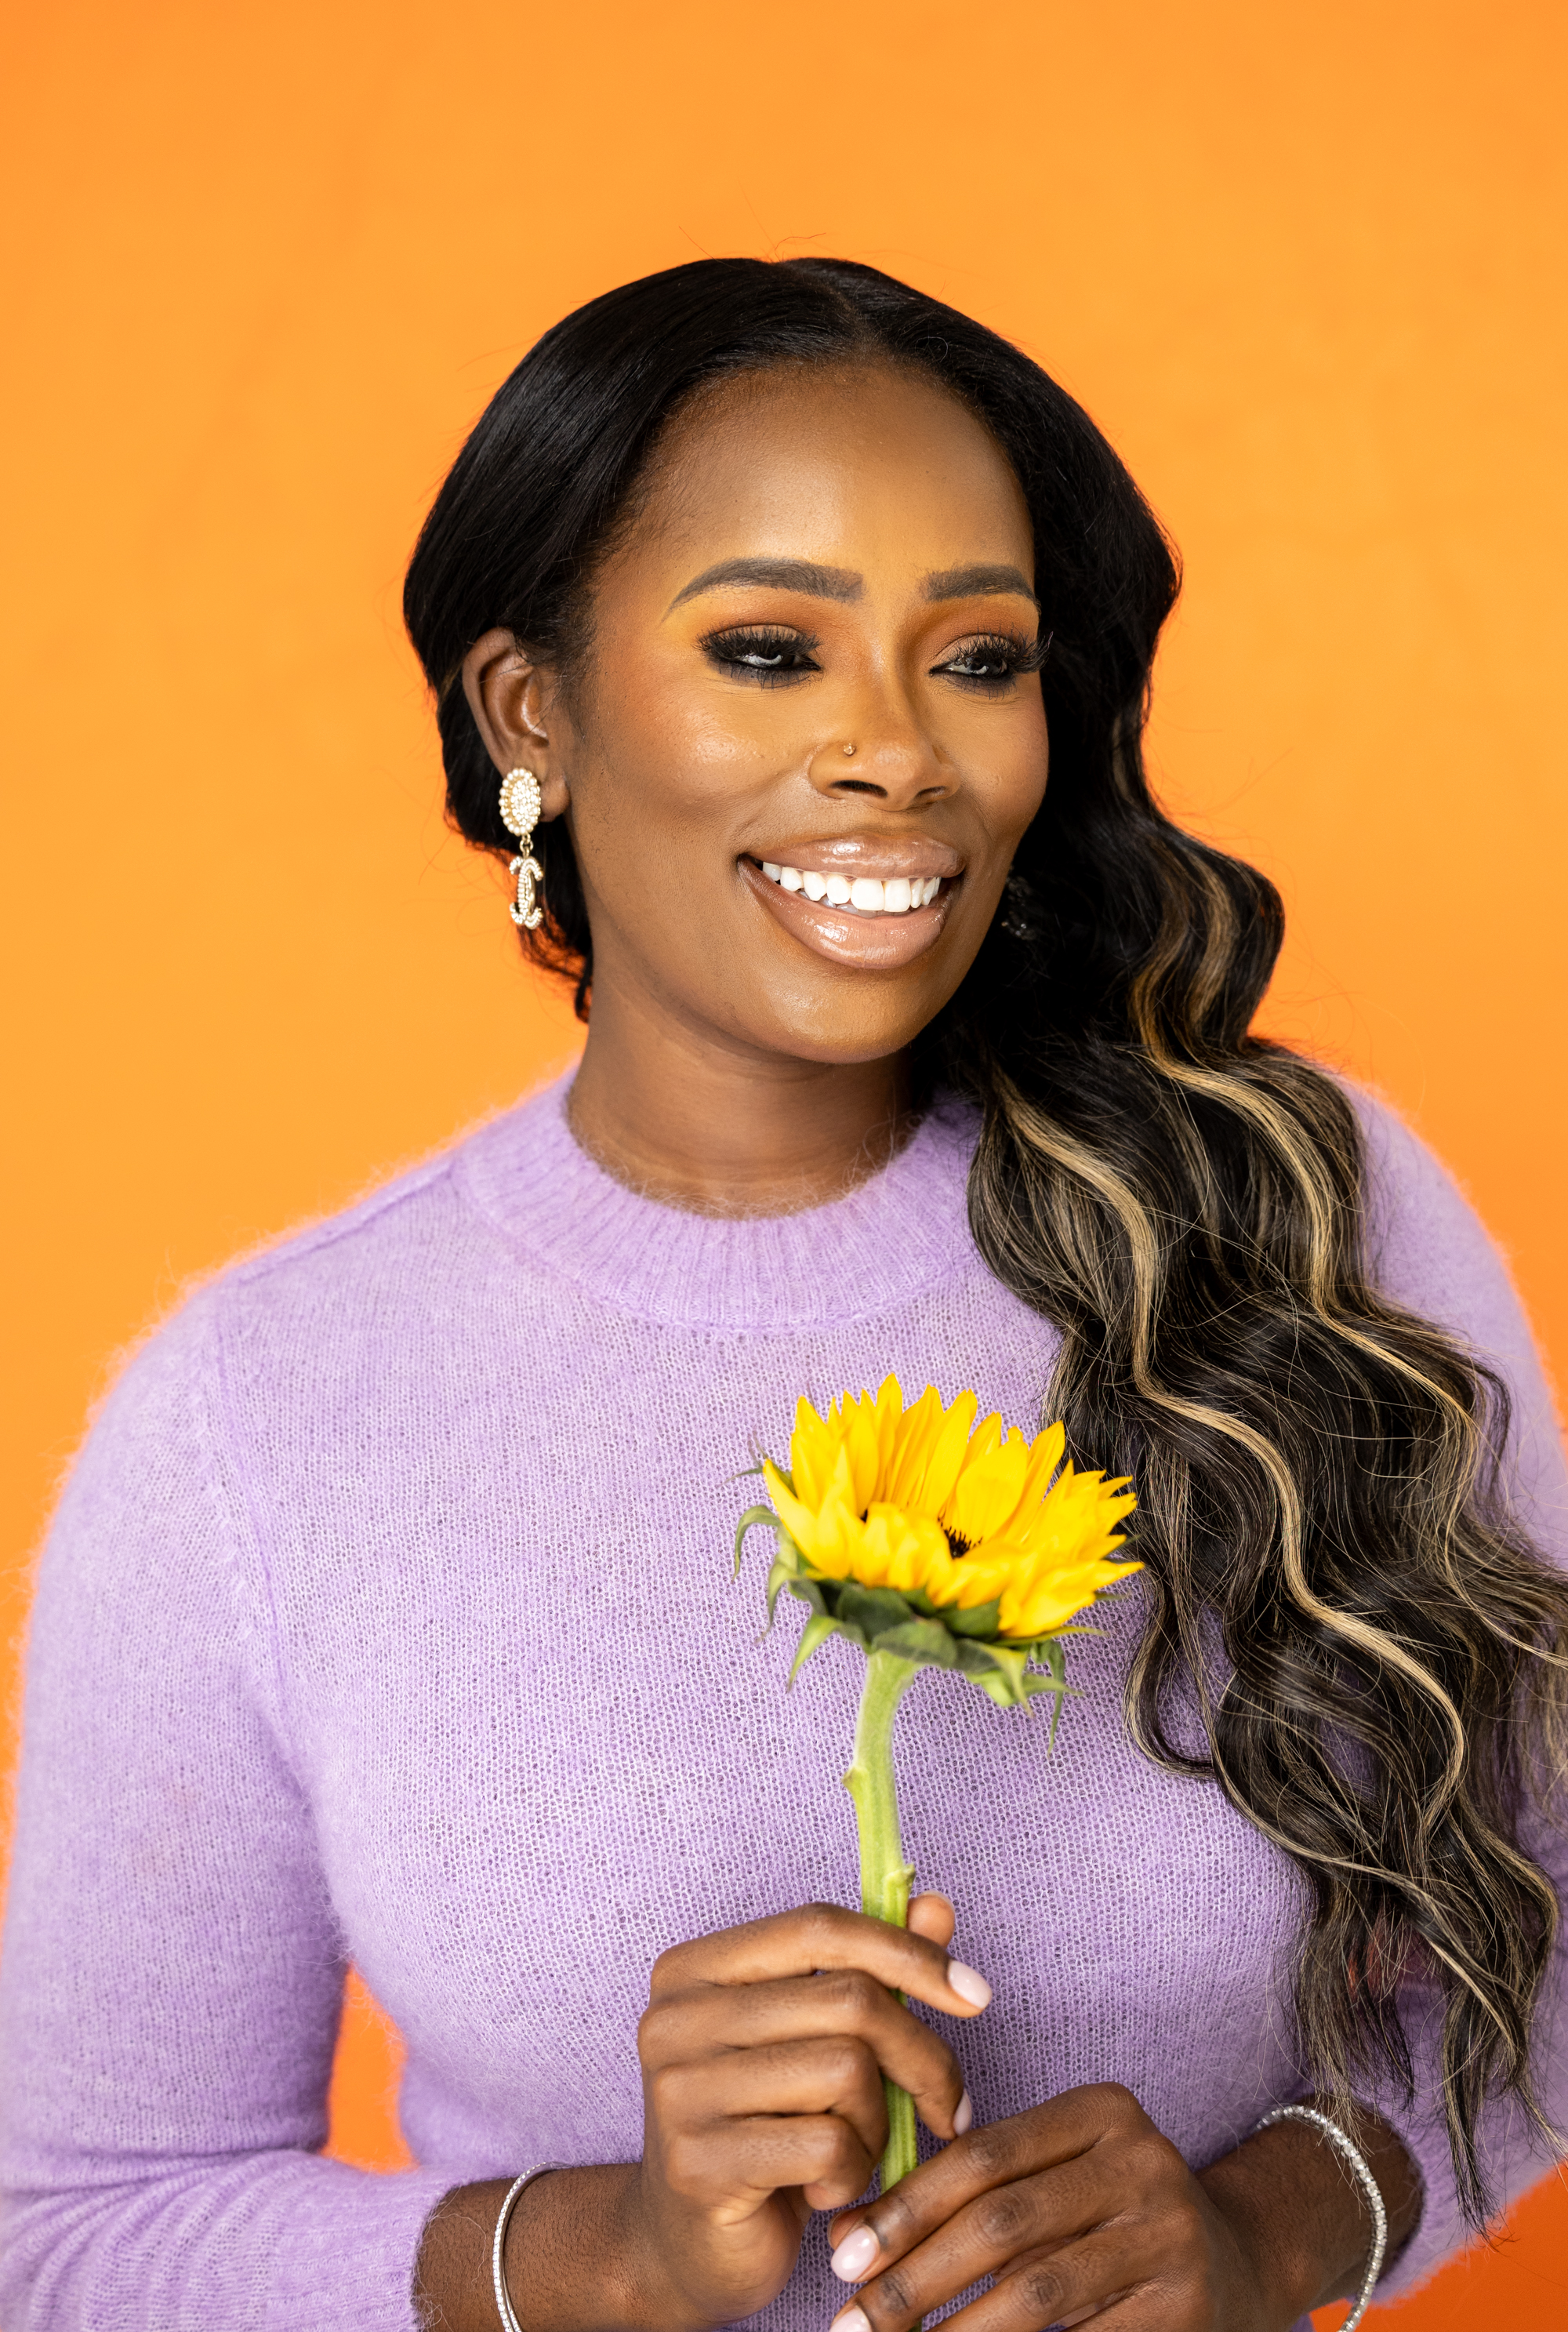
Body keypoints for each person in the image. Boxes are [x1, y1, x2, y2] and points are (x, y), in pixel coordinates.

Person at [1, 257, 1563, 2332]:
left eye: (978, 658)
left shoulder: (1297, 1219)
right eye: (766, 647)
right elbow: (79, 2236)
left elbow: (1544, 1921)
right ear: (528, 713)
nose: (894, 754)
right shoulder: (255, 1414)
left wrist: (1275, 2226)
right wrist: (603, 2252)